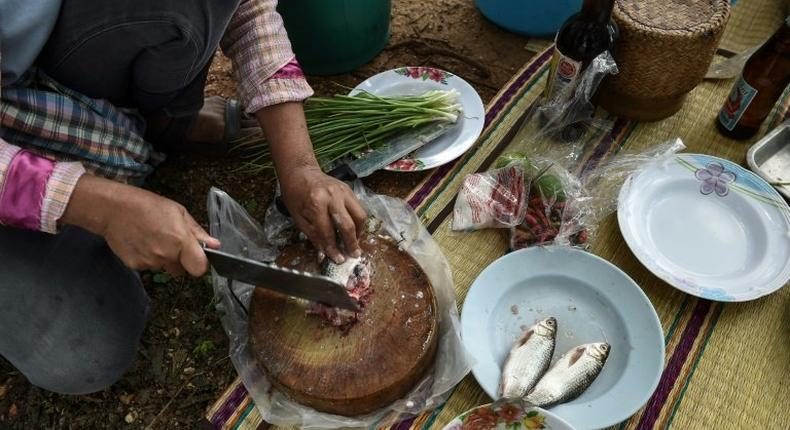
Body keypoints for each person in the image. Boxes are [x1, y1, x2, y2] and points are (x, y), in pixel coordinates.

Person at [0, 0, 366, 395]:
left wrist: (299, 166)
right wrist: (94, 205)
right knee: (84, 349)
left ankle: (164, 124)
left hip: (42, 75)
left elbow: (248, 8)